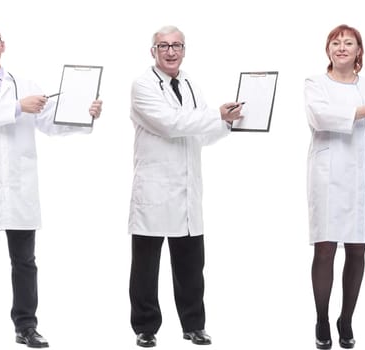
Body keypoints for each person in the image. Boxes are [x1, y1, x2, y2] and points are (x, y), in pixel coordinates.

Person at [0, 25, 103, 349]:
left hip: (19, 189)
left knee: (25, 262)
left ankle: (26, 327)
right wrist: (20, 106)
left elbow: (50, 122)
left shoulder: (26, 85)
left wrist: (85, 115)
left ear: (3, 45)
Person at [127, 25, 242, 348]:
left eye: (176, 45)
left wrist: (226, 122)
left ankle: (194, 325)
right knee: (146, 266)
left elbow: (201, 133)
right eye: (163, 46)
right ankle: (145, 327)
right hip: (154, 189)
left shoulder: (190, 82)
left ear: (184, 49)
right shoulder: (142, 86)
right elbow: (170, 124)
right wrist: (214, 116)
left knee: (192, 264)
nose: (171, 51)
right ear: (153, 51)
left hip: (188, 189)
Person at [304, 24, 365, 350]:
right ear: (328, 49)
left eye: (349, 43)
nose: (341, 47)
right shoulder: (315, 84)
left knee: (357, 248)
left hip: (362, 176)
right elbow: (321, 118)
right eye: (335, 42)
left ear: (359, 51)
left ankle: (346, 319)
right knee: (326, 247)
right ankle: (321, 319)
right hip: (328, 177)